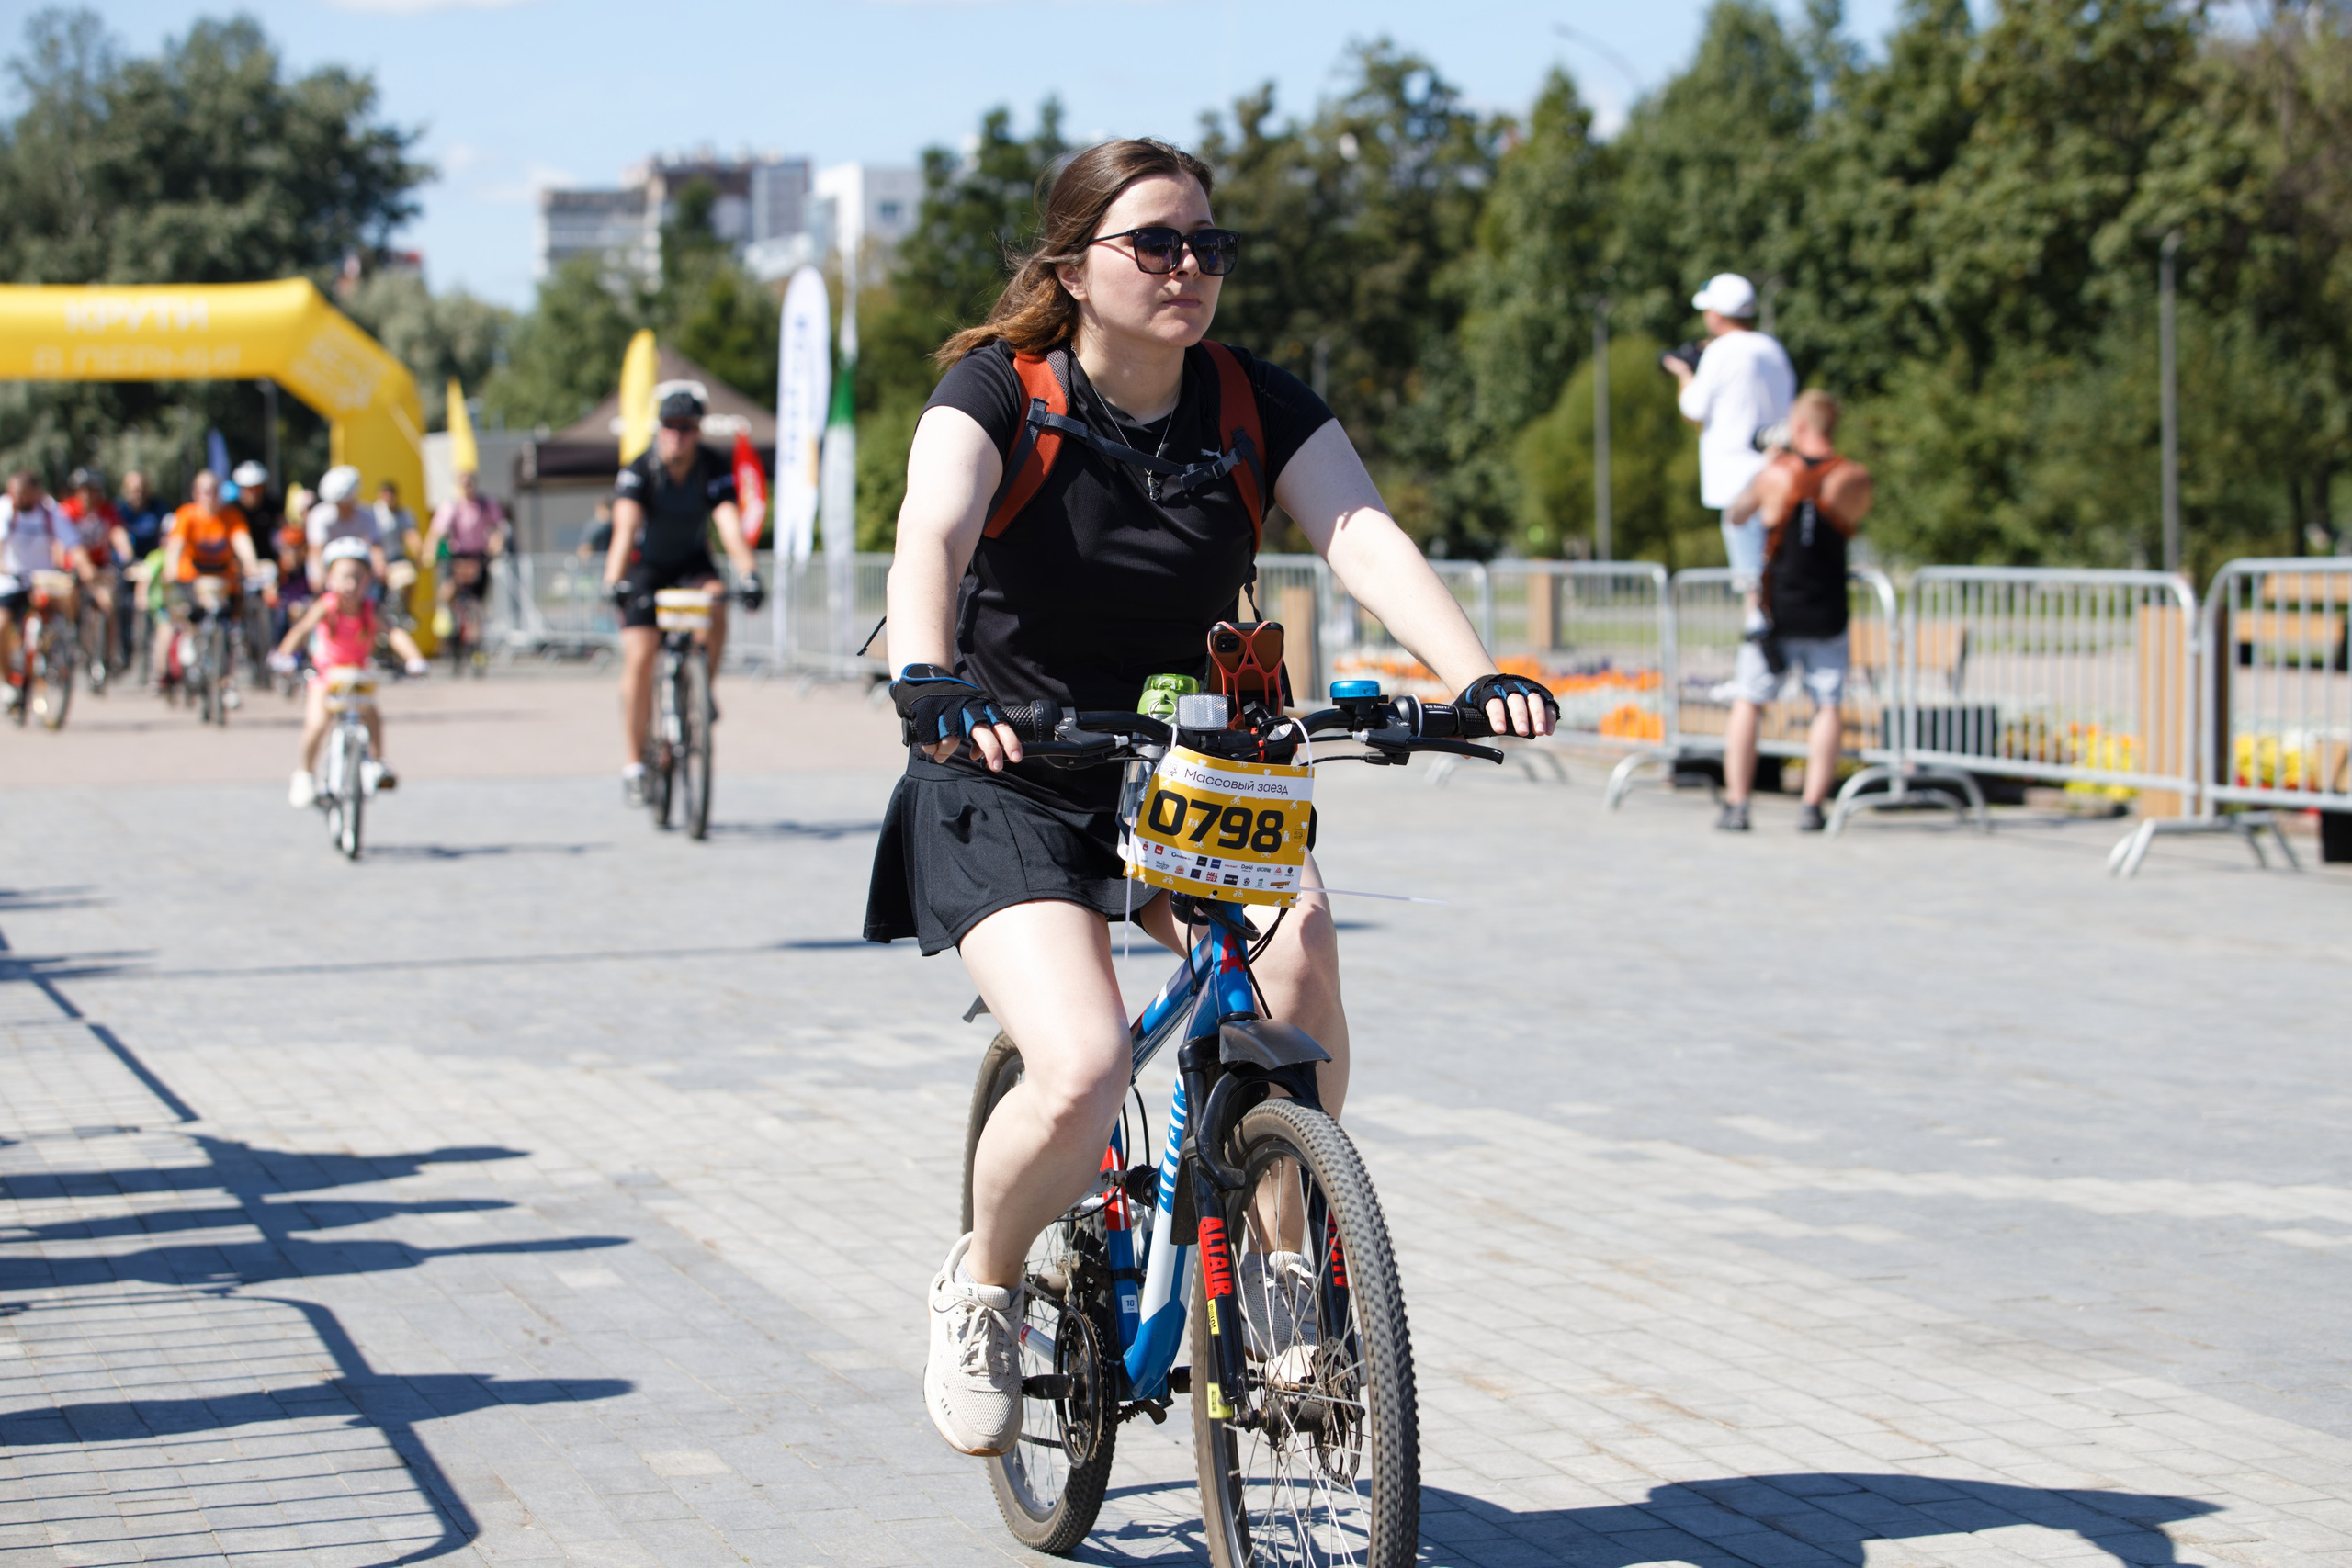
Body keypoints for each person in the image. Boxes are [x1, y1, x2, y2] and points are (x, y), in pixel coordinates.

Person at [862, 138, 1556, 1459]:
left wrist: (1473, 676)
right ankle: (987, 1279)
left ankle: (1290, 1269)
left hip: (1184, 769)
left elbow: (1358, 534)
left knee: (1298, 958)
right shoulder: (997, 389)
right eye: (1157, 244)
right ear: (1072, 267)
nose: (1191, 269)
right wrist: (929, 675)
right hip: (1005, 759)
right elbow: (931, 531)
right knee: (1082, 1066)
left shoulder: (1250, 400)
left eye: (1209, 246)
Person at [1717, 389, 1875, 832]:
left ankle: (1737, 804)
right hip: (1827, 610)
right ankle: (1810, 807)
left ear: (1799, 427)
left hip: (1775, 612)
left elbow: (1737, 514)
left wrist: (1769, 464)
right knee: (1828, 703)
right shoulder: (1854, 476)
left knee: (1749, 701)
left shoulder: (1776, 474)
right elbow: (1856, 518)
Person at [603, 389, 764, 802]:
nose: (678, 436)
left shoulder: (710, 465)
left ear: (697, 431)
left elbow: (728, 522)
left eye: (687, 429)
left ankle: (701, 686)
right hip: (646, 568)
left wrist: (748, 573)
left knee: (715, 599)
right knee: (640, 655)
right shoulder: (641, 469)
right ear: (660, 429)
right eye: (671, 427)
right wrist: (613, 581)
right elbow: (624, 529)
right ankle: (634, 763)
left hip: (692, 561)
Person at [1662, 273, 1796, 622]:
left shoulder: (1721, 351)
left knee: (1752, 585)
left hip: (1739, 484)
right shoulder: (1772, 348)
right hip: (1777, 475)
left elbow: (1693, 407)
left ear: (1717, 315)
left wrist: (1683, 373)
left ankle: (1756, 669)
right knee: (1775, 580)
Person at [274, 537, 427, 806]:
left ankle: (376, 764)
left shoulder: (369, 610)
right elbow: (302, 629)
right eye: (344, 577)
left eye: (358, 578)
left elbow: (393, 634)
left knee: (373, 717)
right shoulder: (327, 605)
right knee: (318, 723)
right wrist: (284, 654)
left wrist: (414, 658)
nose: (350, 585)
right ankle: (305, 774)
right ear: (330, 578)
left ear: (367, 581)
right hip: (327, 674)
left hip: (356, 676)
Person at [160, 469, 265, 695]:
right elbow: (176, 543)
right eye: (205, 491)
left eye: (215, 490)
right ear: (196, 493)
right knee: (193, 617)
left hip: (223, 581)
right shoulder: (187, 515)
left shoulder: (231, 516)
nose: (210, 495)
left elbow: (241, 540)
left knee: (229, 626)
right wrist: (171, 567)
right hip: (193, 579)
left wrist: (251, 564)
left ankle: (226, 680)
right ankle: (191, 641)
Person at [0, 470, 86, 711]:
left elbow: (73, 544)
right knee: (2, 626)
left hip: (43, 580)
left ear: (35, 493)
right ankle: (8, 682)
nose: (17, 498)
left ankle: (65, 645)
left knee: (67, 598)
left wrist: (85, 568)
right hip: (12, 581)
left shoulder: (50, 511)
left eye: (23, 494)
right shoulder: (6, 509)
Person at [423, 468, 506, 644]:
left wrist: (496, 544)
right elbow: (437, 530)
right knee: (449, 586)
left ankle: (476, 643)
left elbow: (499, 527)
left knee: (477, 601)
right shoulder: (452, 506)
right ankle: (444, 611)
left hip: (478, 555)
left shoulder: (486, 504)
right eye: (463, 484)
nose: (467, 487)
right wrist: (429, 551)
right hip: (458, 555)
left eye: (469, 483)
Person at [304, 466, 384, 590]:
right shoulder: (319, 516)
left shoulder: (368, 515)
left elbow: (376, 547)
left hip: (361, 575)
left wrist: (380, 567)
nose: (341, 506)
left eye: (344, 502)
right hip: (331, 576)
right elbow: (315, 552)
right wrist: (317, 577)